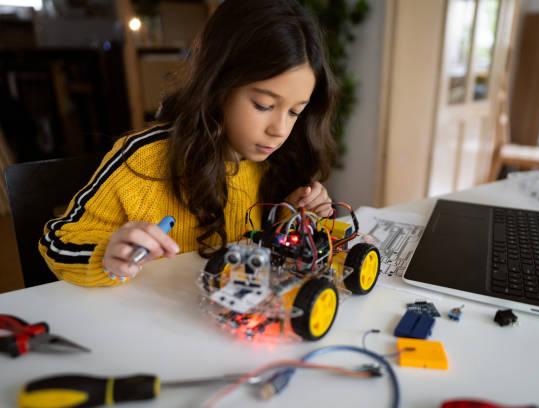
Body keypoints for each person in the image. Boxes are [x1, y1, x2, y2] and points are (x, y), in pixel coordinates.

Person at [39, 0, 338, 287]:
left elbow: (260, 250)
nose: (280, 130)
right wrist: (106, 255)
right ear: (218, 83)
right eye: (263, 105)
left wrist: (294, 212)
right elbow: (58, 242)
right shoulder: (143, 160)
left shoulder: (278, 161)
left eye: (295, 111)